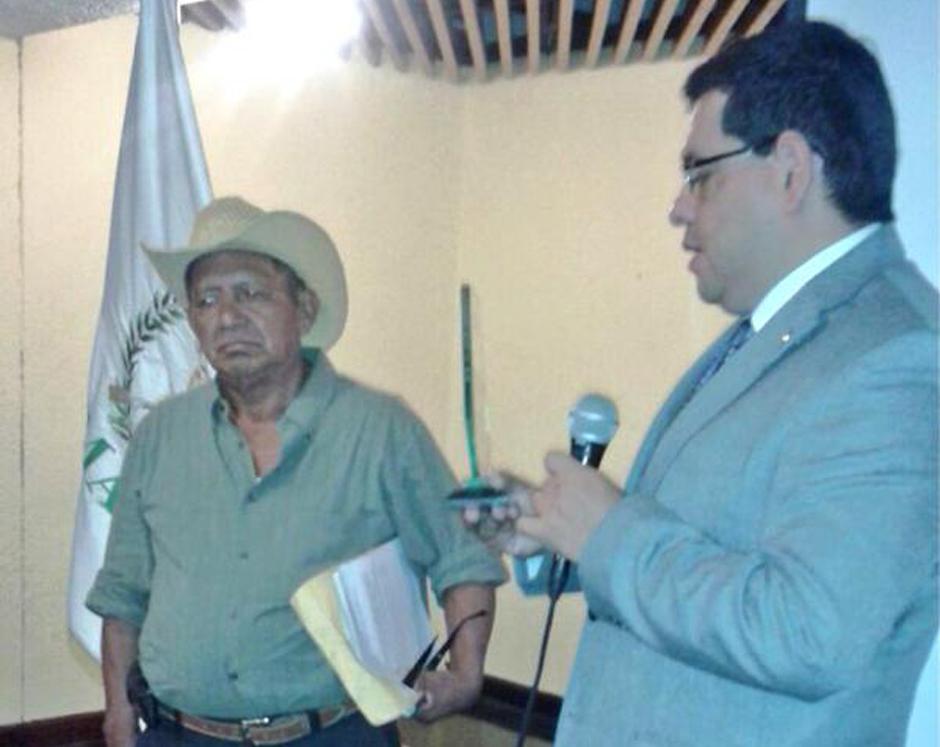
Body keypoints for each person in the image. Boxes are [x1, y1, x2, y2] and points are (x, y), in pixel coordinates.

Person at [469, 20, 938, 746]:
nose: (678, 207)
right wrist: (555, 526)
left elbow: (808, 630)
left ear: (789, 169)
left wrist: (608, 530)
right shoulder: (771, 335)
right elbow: (704, 550)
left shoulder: (896, 358)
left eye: (700, 173)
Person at [87, 196, 506, 747]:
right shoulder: (161, 436)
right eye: (206, 300)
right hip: (177, 735)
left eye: (250, 293)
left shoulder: (381, 431)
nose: (227, 316)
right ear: (191, 320)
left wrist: (466, 675)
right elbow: (123, 593)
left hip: (331, 735)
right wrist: (118, 711)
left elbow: (463, 556)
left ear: (304, 310)